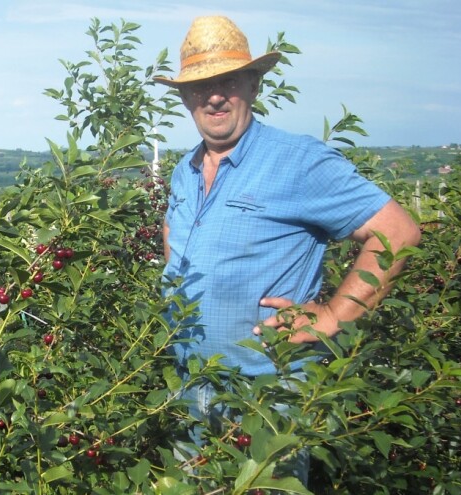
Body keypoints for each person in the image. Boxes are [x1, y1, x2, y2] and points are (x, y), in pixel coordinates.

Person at [152, 15, 422, 484]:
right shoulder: (184, 169)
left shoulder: (299, 161)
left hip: (264, 396)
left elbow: (397, 232)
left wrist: (334, 316)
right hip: (189, 384)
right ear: (184, 97)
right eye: (199, 85)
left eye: (228, 80)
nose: (213, 95)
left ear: (253, 85)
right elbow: (175, 233)